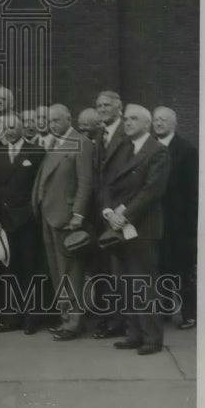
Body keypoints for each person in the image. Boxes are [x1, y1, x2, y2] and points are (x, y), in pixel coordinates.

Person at [101, 105, 170, 355]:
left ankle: (152, 339)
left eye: (133, 119)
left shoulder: (158, 152)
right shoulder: (123, 150)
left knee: (143, 284)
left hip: (143, 228)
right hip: (119, 226)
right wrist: (108, 212)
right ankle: (133, 334)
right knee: (125, 284)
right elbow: (106, 183)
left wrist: (124, 214)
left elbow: (152, 191)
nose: (127, 122)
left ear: (147, 124)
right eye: (127, 118)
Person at [31, 104, 93, 340]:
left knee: (71, 272)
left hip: (66, 218)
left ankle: (74, 322)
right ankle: (66, 317)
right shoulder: (55, 142)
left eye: (57, 120)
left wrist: (78, 214)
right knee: (58, 272)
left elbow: (86, 182)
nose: (52, 124)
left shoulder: (81, 142)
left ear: (69, 119)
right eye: (50, 121)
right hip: (49, 216)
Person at [0, 113, 44, 333]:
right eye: (6, 127)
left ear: (22, 128)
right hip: (5, 222)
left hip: (28, 221)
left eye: (14, 127)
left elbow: (40, 187)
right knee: (10, 270)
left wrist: (34, 214)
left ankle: (33, 318)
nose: (10, 131)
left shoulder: (36, 152)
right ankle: (13, 316)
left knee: (31, 268)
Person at [153, 106, 198, 328]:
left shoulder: (186, 150)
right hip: (158, 221)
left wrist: (191, 227)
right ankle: (165, 310)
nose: (158, 123)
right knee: (161, 266)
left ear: (173, 123)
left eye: (163, 120)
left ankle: (190, 314)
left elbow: (193, 191)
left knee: (182, 269)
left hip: (179, 223)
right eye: (155, 120)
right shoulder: (151, 147)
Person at [91, 90, 127, 340]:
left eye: (106, 105)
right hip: (98, 211)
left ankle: (119, 321)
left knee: (119, 269)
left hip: (117, 210)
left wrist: (116, 210)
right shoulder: (98, 133)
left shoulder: (127, 133)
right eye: (99, 105)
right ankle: (105, 317)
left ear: (118, 108)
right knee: (102, 268)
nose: (102, 109)